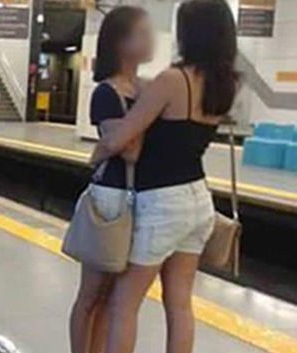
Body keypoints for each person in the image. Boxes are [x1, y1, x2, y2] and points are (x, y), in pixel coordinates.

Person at [90, 1, 239, 352]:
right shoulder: (224, 85)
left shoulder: (173, 80)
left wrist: (96, 154)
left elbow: (121, 137)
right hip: (199, 202)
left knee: (122, 304)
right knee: (180, 303)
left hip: (162, 202)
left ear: (190, 33)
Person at [69, 6, 153, 353]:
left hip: (138, 198)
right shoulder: (105, 93)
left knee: (111, 297)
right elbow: (130, 151)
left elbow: (126, 142)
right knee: (90, 294)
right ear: (120, 43)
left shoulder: (147, 88)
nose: (151, 41)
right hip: (110, 200)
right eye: (143, 34)